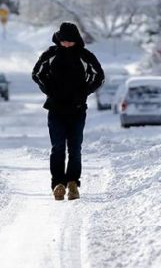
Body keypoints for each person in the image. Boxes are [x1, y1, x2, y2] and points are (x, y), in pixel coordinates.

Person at [32, 22, 104, 200]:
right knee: (57, 148)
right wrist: (49, 90)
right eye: (63, 41)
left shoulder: (85, 56)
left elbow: (99, 76)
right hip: (55, 109)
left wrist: (84, 92)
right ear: (59, 39)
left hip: (77, 110)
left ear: (76, 40)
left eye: (70, 41)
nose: (66, 44)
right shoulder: (50, 55)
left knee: (75, 148)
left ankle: (73, 183)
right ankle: (58, 184)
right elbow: (36, 74)